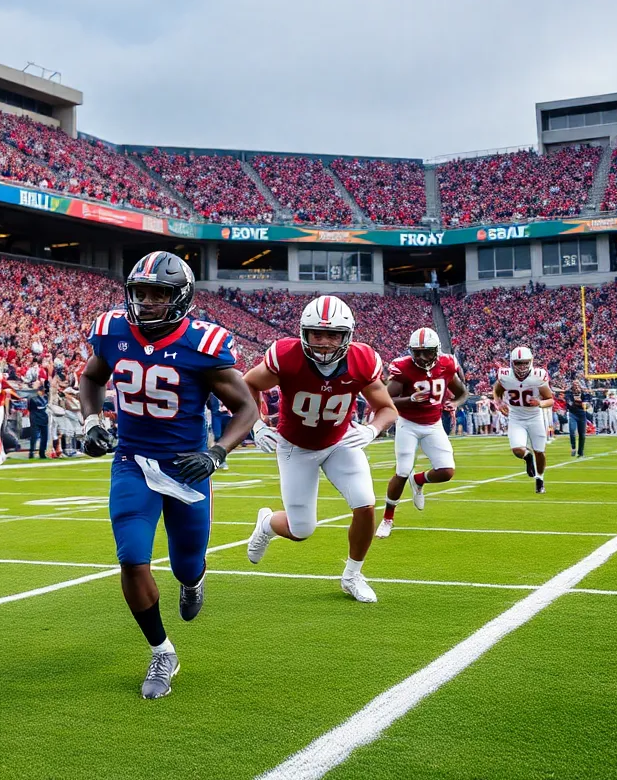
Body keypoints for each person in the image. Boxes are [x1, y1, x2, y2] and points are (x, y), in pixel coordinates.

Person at [78, 251, 257, 700]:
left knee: (186, 561)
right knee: (132, 557)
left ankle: (195, 580)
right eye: (141, 292)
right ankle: (162, 650)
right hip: (133, 462)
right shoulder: (112, 330)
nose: (148, 301)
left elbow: (247, 408)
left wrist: (216, 453)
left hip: (186, 466)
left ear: (180, 298)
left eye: (159, 293)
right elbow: (92, 377)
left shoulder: (204, 343)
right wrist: (92, 421)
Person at [244, 295, 397, 600]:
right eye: (317, 334)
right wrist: (257, 424)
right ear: (304, 333)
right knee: (301, 530)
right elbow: (247, 384)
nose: (325, 342)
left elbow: (388, 409)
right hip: (295, 445)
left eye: (333, 335)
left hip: (340, 441)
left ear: (347, 336)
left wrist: (371, 430)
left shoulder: (362, 360)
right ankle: (267, 523)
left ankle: (352, 575)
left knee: (365, 505)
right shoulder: (286, 355)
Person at [377, 327, 467, 539]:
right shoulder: (403, 368)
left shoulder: (446, 364)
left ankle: (419, 480)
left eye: (426, 351)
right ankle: (388, 518)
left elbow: (462, 393)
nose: (421, 357)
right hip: (408, 424)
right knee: (401, 471)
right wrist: (409, 400)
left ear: (436, 350)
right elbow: (385, 399)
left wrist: (454, 403)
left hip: (433, 424)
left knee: (446, 471)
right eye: (417, 352)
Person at [492, 346, 555, 494]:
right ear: (512, 363)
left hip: (534, 417)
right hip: (516, 417)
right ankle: (528, 457)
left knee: (540, 451)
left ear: (531, 362)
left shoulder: (538, 376)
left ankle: (540, 479)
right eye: (518, 363)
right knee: (517, 449)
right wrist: (499, 403)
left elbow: (550, 399)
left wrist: (540, 403)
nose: (522, 366)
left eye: (525, 362)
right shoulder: (505, 375)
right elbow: (497, 391)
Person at [564, 376, 591, 457]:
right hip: (573, 413)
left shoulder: (584, 393)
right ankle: (573, 448)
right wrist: (580, 402)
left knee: (582, 434)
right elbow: (570, 403)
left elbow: (588, 403)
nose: (576, 386)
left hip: (582, 414)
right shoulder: (568, 393)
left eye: (577, 384)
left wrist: (586, 404)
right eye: (574, 384)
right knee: (572, 432)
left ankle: (581, 451)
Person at [27, 385, 49, 460]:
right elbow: (30, 407)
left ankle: (42, 452)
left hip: (43, 418)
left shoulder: (46, 398)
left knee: (44, 436)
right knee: (34, 436)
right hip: (35, 418)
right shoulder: (33, 398)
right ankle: (32, 452)